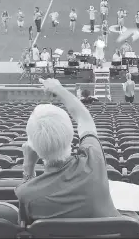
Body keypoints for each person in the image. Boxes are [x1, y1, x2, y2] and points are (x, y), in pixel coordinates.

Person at [15, 78, 122, 224]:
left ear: (32, 148)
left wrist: (28, 168)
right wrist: (58, 88)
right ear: (72, 137)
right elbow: (83, 117)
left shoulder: (26, 194)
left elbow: (26, 227)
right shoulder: (93, 160)